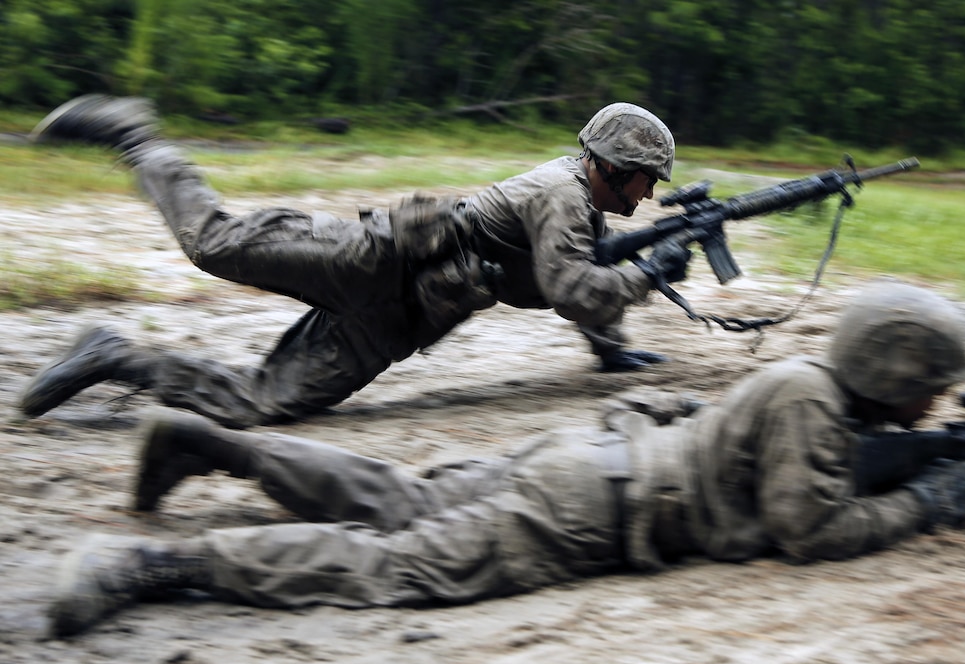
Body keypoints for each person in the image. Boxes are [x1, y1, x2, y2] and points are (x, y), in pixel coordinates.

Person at [47, 281, 965, 638]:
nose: (935, 401)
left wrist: (920, 466)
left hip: (589, 456)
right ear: (891, 367)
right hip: (589, 513)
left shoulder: (798, 381)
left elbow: (712, 422)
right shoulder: (809, 407)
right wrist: (932, 498)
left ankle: (211, 439)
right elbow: (806, 529)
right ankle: (147, 567)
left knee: (397, 493)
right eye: (931, 381)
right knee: (396, 564)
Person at [18, 97, 692, 428]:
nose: (652, 193)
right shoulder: (562, 194)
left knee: (262, 403)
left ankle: (111, 356)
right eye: (647, 178)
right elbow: (572, 285)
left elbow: (567, 268)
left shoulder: (583, 208)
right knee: (213, 243)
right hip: (370, 262)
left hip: (399, 319)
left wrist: (609, 345)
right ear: (615, 166)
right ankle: (136, 136)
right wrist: (648, 275)